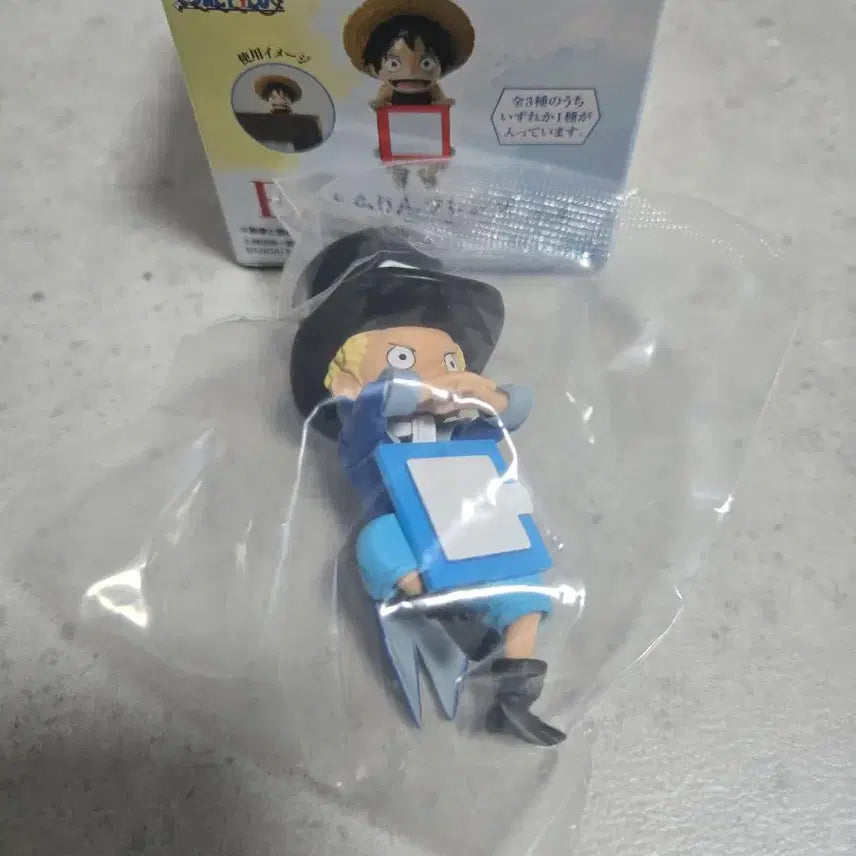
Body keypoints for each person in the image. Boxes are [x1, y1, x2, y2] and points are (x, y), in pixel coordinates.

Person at [290, 232, 566, 746]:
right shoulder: (365, 435)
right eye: (402, 357)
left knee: (527, 588)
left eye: (450, 361)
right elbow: (369, 417)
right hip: (407, 523)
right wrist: (412, 390)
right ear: (344, 381)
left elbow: (494, 433)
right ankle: (444, 610)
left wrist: (493, 401)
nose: (440, 373)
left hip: (465, 512)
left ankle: (514, 690)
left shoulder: (458, 435)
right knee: (378, 543)